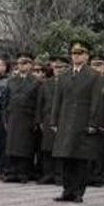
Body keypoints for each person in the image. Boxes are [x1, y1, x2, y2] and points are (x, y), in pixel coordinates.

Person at [51, 41, 104, 203]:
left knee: (81, 158)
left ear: (87, 56)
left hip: (82, 121)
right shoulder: (64, 75)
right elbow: (57, 100)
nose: (76, 56)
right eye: (74, 53)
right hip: (66, 121)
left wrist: (93, 123)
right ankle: (67, 190)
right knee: (66, 157)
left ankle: (79, 192)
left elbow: (96, 101)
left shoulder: (94, 75)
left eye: (80, 53)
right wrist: (54, 120)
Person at [4, 52, 41, 183]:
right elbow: (5, 101)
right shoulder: (11, 81)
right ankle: (11, 172)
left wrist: (37, 121)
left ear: (31, 65)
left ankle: (23, 172)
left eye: (25, 63)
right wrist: (5, 118)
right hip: (13, 116)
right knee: (11, 146)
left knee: (25, 146)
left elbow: (38, 103)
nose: (22, 66)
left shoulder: (36, 82)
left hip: (27, 117)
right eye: (19, 63)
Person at [36, 56, 64, 185]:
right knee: (47, 148)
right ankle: (48, 174)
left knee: (60, 149)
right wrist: (39, 120)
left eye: (61, 67)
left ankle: (60, 175)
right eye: (56, 67)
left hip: (62, 119)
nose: (58, 70)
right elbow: (40, 103)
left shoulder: (68, 83)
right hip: (47, 118)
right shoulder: (46, 83)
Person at [88, 54, 104, 187]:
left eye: (99, 65)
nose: (96, 68)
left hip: (101, 123)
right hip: (86, 122)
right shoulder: (85, 82)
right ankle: (86, 176)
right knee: (86, 151)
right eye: (94, 65)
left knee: (100, 152)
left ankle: (98, 177)